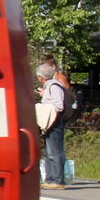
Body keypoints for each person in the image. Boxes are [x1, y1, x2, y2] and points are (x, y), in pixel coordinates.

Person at [36, 61, 66, 189]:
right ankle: (49, 179)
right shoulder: (49, 86)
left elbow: (59, 105)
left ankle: (57, 180)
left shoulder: (54, 86)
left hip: (54, 121)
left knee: (55, 151)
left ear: (40, 77)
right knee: (48, 151)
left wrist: (45, 104)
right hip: (48, 122)